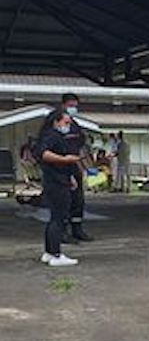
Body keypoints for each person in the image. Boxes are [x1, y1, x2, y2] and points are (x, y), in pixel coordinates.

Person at [36, 107, 81, 267]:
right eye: (66, 122)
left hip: (60, 179)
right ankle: (56, 254)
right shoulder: (52, 136)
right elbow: (43, 154)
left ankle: (49, 252)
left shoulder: (55, 136)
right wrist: (65, 159)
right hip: (56, 183)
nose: (68, 125)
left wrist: (70, 176)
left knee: (54, 218)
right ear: (56, 121)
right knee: (59, 218)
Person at [60, 93, 93, 242]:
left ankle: (77, 229)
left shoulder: (75, 126)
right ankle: (62, 232)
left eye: (75, 106)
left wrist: (83, 166)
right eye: (70, 106)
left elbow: (80, 147)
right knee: (64, 200)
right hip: (61, 166)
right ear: (63, 105)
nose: (73, 109)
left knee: (78, 200)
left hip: (75, 165)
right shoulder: (56, 123)